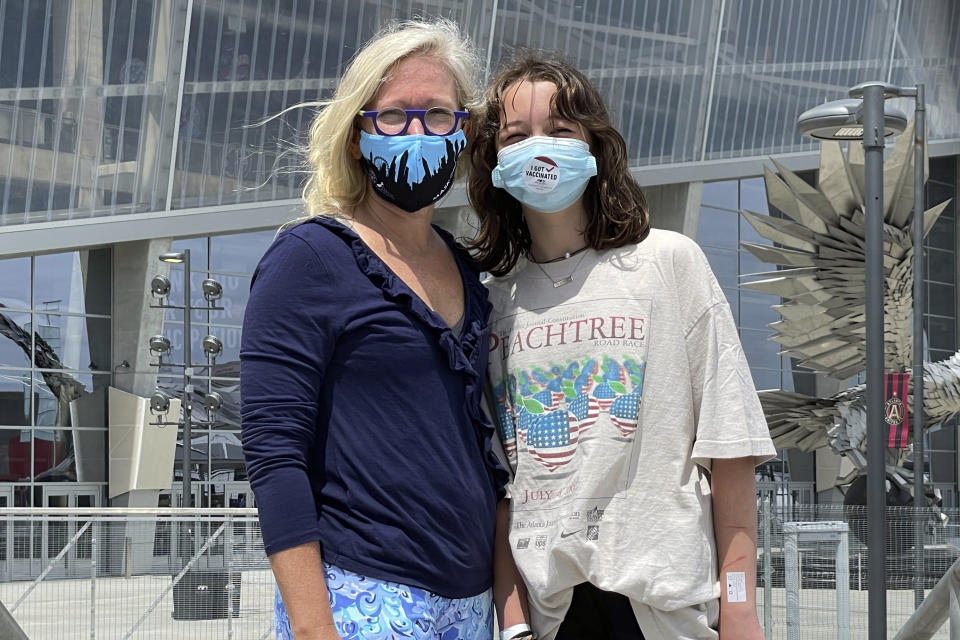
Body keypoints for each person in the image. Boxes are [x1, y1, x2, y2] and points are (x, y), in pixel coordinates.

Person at [468, 52, 777, 640]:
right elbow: (499, 484)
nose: (539, 147)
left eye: (559, 130)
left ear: (593, 145)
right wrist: (512, 624)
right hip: (549, 615)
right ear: (495, 161)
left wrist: (740, 611)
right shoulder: (491, 302)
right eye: (517, 134)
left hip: (662, 611)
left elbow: (729, 448)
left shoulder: (668, 264)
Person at [240, 20, 512, 640]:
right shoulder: (308, 260)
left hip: (469, 608)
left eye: (438, 114)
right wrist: (314, 628)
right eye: (393, 116)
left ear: (464, 132)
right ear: (359, 134)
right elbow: (274, 453)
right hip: (360, 599)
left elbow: (483, 452)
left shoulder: (467, 272)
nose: (417, 133)